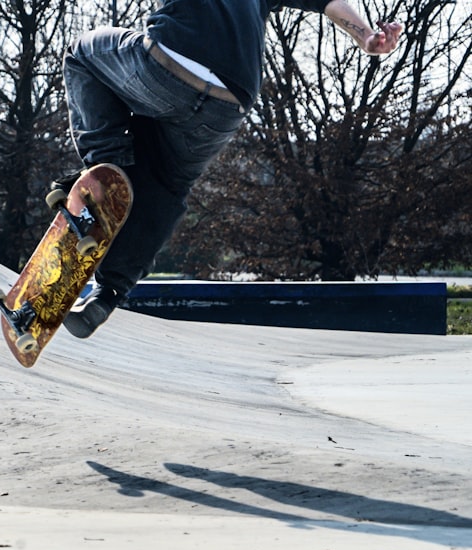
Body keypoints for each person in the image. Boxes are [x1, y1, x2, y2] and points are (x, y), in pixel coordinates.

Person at [59, 0, 403, 339]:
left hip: (171, 61)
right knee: (169, 181)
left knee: (81, 55)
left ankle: (107, 173)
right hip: (231, 99)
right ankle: (108, 294)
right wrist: (368, 38)